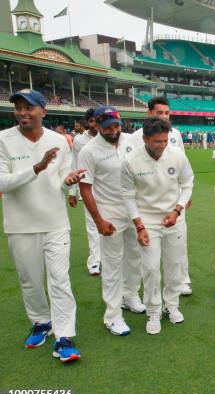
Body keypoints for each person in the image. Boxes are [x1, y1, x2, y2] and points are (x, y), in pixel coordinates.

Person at [0, 89, 84, 362]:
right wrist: (36, 168)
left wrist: (68, 182)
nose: (23, 112)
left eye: (29, 107)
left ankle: (64, 336)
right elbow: (3, 182)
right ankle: (41, 323)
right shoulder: (3, 140)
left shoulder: (59, 140)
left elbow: (61, 176)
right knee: (31, 281)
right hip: (20, 224)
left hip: (55, 222)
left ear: (43, 111)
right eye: (19, 108)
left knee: (60, 280)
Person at [121, 117, 194, 334]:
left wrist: (177, 210)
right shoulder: (131, 161)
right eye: (157, 142)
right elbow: (127, 195)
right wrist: (139, 226)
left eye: (165, 141)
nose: (162, 146)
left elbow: (188, 184)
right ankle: (153, 311)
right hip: (147, 222)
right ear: (145, 139)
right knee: (151, 268)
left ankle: (171, 306)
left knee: (174, 267)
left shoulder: (176, 155)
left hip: (174, 220)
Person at [78, 106, 145, 336]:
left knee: (135, 257)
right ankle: (113, 315)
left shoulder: (131, 140)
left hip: (133, 209)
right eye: (108, 128)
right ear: (96, 125)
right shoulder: (89, 150)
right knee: (113, 264)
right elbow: (85, 188)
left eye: (117, 125)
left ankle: (131, 295)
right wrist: (98, 219)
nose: (114, 131)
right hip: (110, 213)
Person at [130, 96, 192, 296]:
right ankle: (149, 293)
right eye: (159, 113)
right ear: (149, 114)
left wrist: (183, 196)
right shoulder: (135, 137)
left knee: (178, 244)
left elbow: (181, 163)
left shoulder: (175, 135)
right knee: (148, 255)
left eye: (167, 113)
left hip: (173, 202)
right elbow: (131, 170)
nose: (164, 117)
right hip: (147, 205)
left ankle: (182, 280)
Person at [68, 108, 101, 275]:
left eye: (98, 120)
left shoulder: (112, 136)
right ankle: (95, 260)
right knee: (92, 224)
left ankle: (111, 257)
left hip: (111, 189)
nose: (95, 124)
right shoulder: (79, 141)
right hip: (88, 188)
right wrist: (72, 192)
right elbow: (74, 166)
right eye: (92, 121)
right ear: (88, 122)